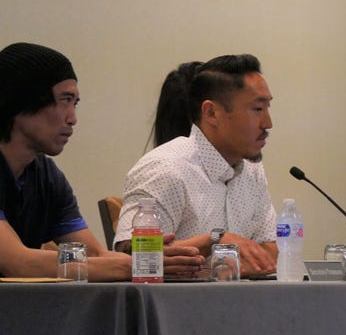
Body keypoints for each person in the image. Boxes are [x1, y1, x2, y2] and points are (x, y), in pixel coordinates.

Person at [0, 42, 203, 280]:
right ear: (22, 100)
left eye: (74, 104)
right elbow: (18, 263)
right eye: (64, 100)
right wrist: (136, 267)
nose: (72, 118)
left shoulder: (46, 175)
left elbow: (94, 254)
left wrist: (155, 261)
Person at [114, 54, 278, 276]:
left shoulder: (252, 169)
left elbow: (270, 250)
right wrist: (214, 240)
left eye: (267, 108)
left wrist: (220, 269)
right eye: (257, 109)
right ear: (211, 113)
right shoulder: (165, 168)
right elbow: (129, 257)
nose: (268, 123)